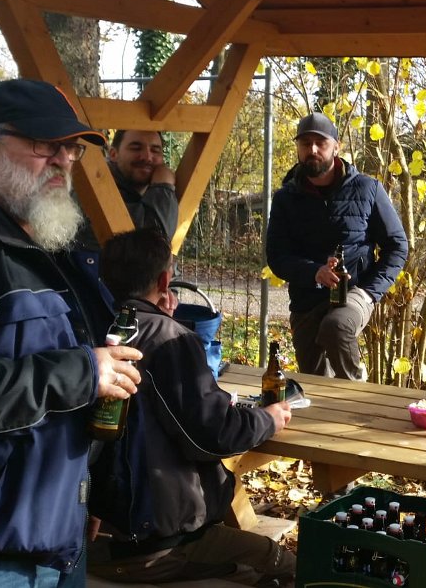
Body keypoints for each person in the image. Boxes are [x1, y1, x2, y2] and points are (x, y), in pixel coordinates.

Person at [0, 78, 143, 587]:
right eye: (45, 145)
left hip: (54, 533)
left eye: (71, 148)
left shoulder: (46, 236)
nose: (63, 161)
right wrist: (79, 373)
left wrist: (84, 492)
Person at [89, 227, 296, 587]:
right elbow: (214, 434)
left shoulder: (94, 331)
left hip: (102, 540)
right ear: (164, 280)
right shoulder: (169, 339)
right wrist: (267, 419)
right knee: (285, 564)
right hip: (160, 547)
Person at [265, 112, 408, 380]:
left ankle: (356, 390)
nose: (313, 150)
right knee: (315, 381)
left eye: (321, 143)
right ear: (298, 148)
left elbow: (397, 246)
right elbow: (277, 256)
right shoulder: (286, 198)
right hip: (306, 299)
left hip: (354, 292)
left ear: (336, 146)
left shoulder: (368, 189)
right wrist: (314, 272)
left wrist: (370, 291)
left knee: (336, 327)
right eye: (305, 143)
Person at [77, 129, 178, 250]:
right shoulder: (93, 191)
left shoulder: (147, 192)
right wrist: (163, 187)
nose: (147, 157)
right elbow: (154, 245)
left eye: (155, 150)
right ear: (113, 154)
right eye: (136, 148)